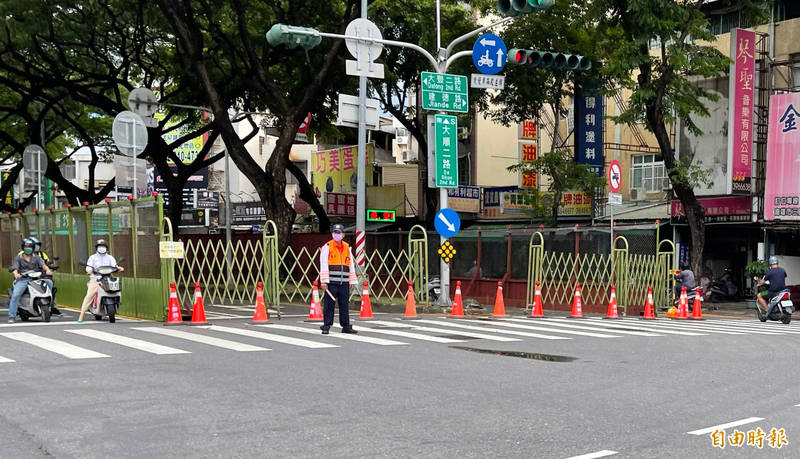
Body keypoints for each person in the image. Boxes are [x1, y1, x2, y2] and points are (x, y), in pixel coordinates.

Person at [318, 224, 358, 335]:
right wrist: (324, 281)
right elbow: (324, 264)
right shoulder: (327, 246)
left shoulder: (346, 247)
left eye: (339, 232)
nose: (337, 235)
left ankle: (346, 326)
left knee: (344, 305)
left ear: (343, 234)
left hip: (344, 282)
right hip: (332, 282)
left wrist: (352, 280)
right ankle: (326, 326)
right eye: (335, 232)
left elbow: (350, 265)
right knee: (329, 305)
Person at [77, 239, 123, 323]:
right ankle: (81, 314)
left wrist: (119, 268)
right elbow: (89, 267)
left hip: (107, 279)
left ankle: (118, 303)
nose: (102, 248)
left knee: (117, 290)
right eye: (100, 247)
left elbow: (115, 265)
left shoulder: (110, 257)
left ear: (106, 248)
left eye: (103, 247)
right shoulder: (92, 257)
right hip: (95, 279)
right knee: (89, 295)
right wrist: (89, 270)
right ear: (97, 248)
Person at [8, 238, 53, 323]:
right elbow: (15, 268)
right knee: (15, 295)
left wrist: (47, 270)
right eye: (26, 247)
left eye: (30, 247)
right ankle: (11, 316)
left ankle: (51, 304)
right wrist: (16, 274)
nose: (28, 249)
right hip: (23, 279)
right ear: (23, 248)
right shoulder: (18, 258)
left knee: (49, 282)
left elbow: (43, 265)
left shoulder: (37, 257)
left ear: (33, 248)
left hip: (36, 278)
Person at [19, 236, 60, 315]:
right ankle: (19, 305)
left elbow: (46, 263)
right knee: (19, 290)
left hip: (40, 275)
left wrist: (50, 268)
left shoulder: (42, 254)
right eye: (36, 244)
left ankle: (52, 305)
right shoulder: (22, 254)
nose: (37, 246)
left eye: (38, 245)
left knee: (50, 283)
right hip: (27, 276)